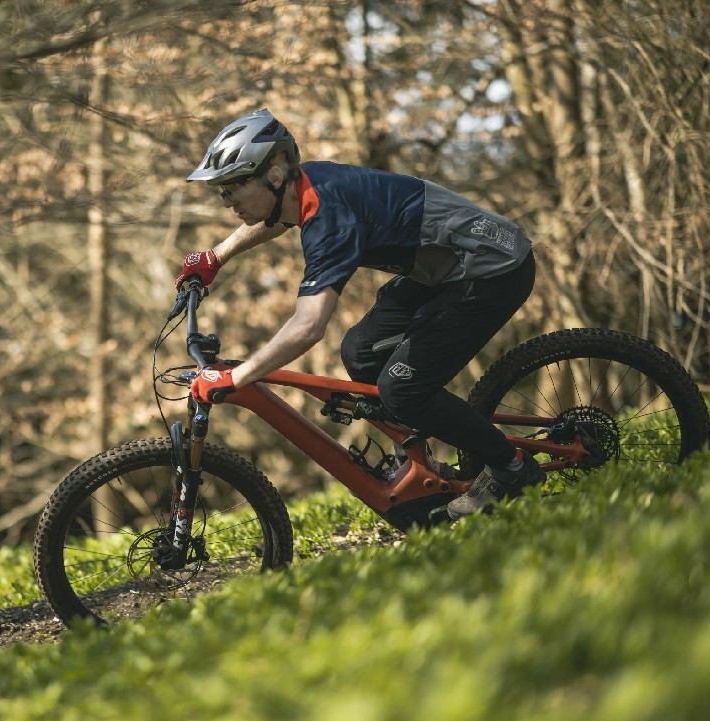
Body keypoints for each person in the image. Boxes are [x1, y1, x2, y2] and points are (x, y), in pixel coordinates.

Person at [178, 108, 544, 520]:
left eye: (232, 189)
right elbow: (277, 219)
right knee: (361, 352)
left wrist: (238, 376)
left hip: (491, 270)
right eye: (222, 192)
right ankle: (423, 466)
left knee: (401, 389)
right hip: (443, 269)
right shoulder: (302, 186)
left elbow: (308, 326)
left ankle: (512, 467)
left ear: (274, 177)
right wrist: (215, 256)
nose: (227, 202)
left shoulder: (330, 219)